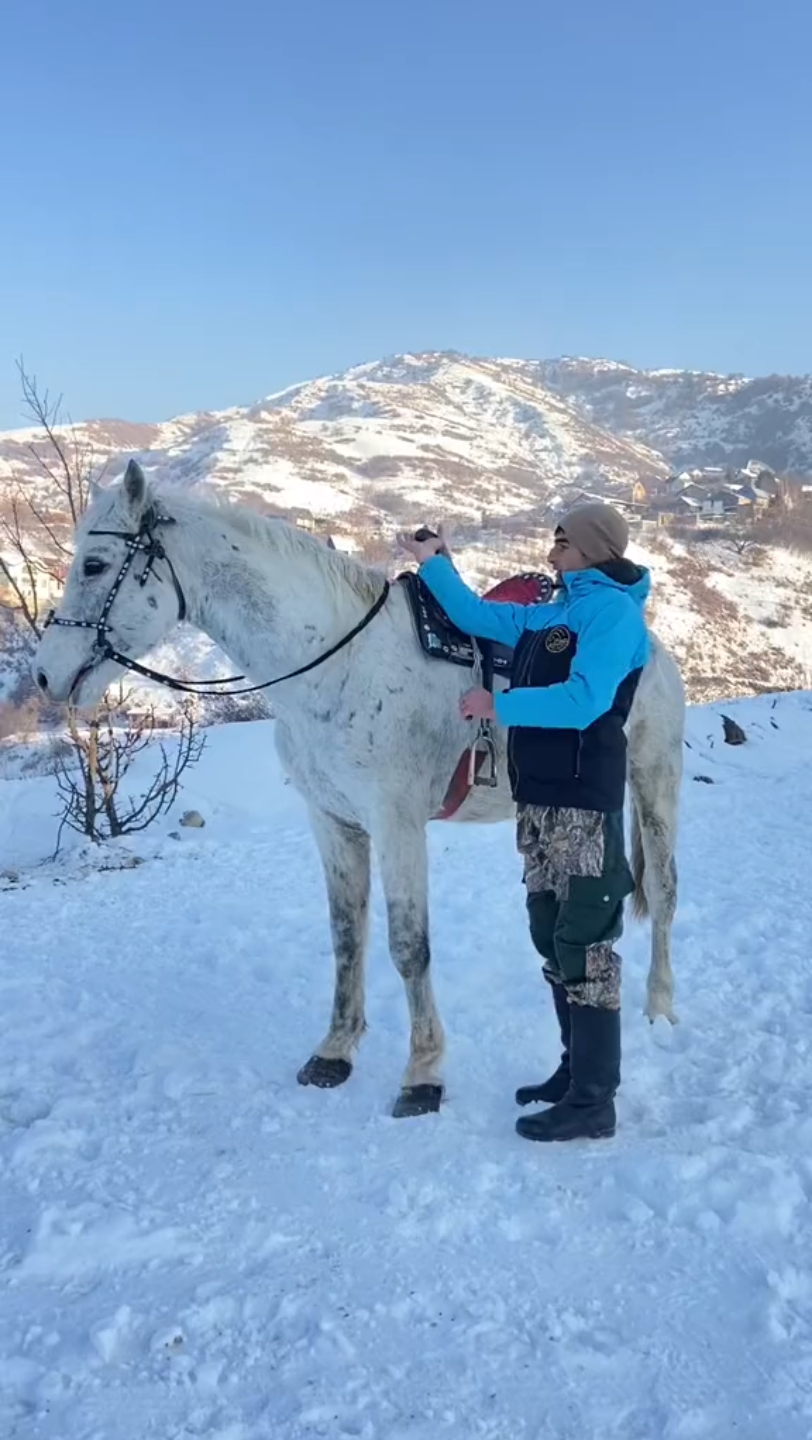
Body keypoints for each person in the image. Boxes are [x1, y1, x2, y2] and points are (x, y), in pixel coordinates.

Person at [400, 503, 650, 1143]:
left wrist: (498, 702)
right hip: (537, 799)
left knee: (586, 944)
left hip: (583, 802)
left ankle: (595, 1101)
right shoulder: (554, 613)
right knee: (550, 931)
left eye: (562, 542)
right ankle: (573, 1074)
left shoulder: (612, 614)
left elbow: (587, 699)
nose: (551, 554)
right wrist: (436, 563)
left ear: (593, 549)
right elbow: (479, 617)